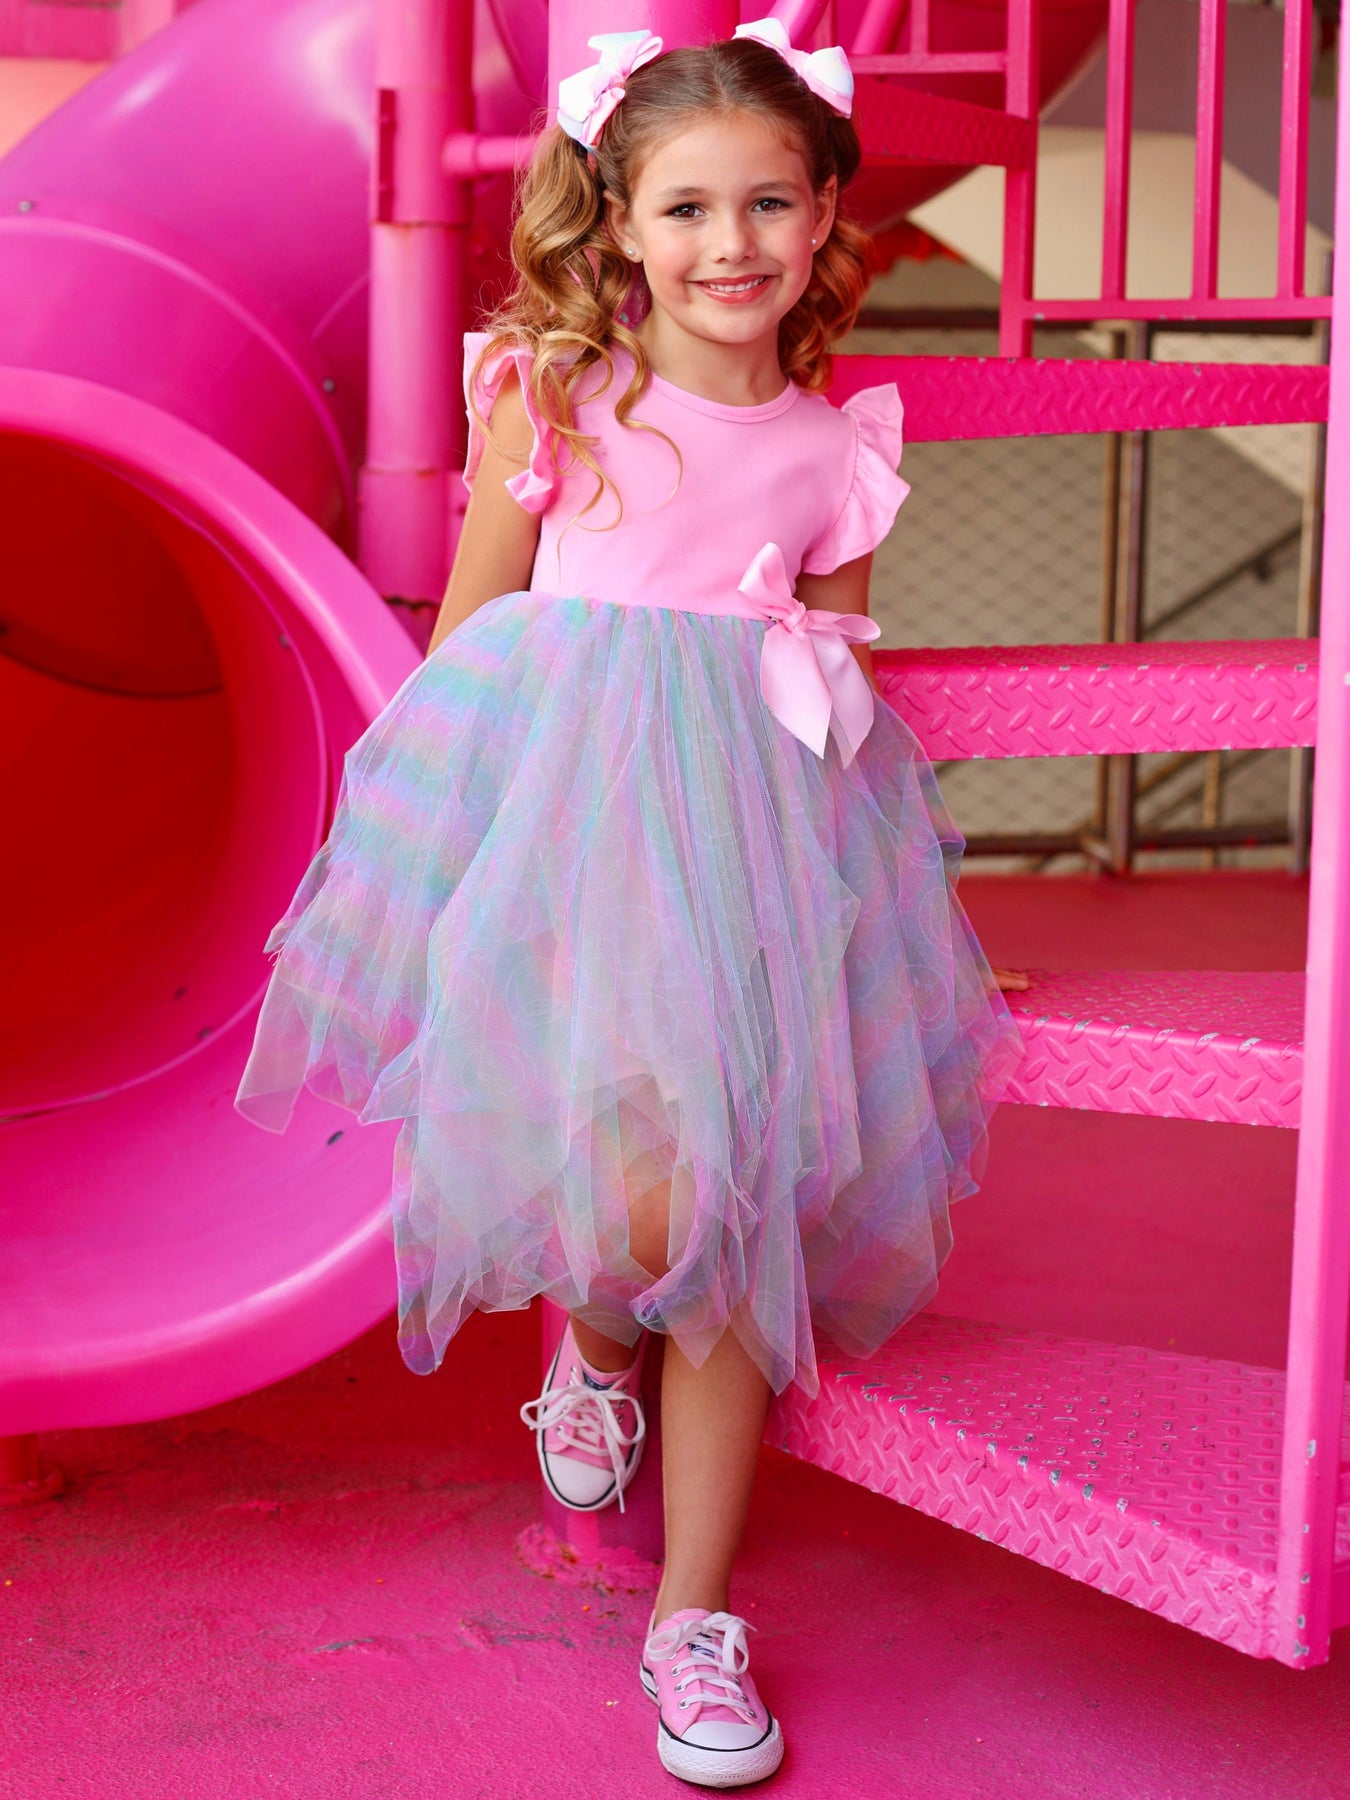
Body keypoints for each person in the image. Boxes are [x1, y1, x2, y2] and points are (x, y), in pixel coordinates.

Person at [235, 18, 1026, 1789]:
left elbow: (828, 675)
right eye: (686, 208)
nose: (730, 243)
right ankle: (595, 1343)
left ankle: (693, 1615)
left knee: (738, 1217)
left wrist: (867, 915)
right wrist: (437, 851)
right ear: (618, 222)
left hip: (754, 855)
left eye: (769, 203)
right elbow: (474, 633)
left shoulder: (835, 450)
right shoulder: (557, 395)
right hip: (577, 837)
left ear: (824, 215)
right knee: (634, 1201)